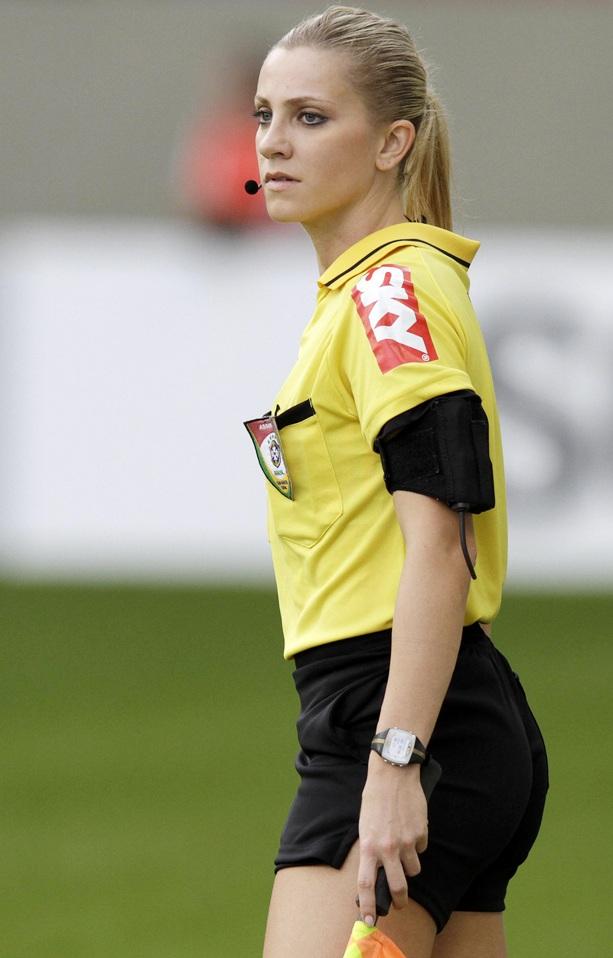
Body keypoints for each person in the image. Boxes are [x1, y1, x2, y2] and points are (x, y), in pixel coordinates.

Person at [243, 7, 548, 957]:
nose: (273, 143)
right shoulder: (371, 291)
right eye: (263, 115)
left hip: (402, 724)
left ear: (391, 142)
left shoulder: (390, 294)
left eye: (309, 117)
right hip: (440, 718)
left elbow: (440, 545)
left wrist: (396, 759)